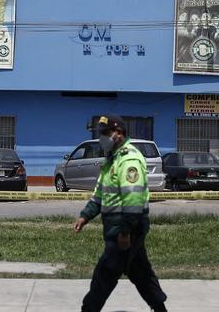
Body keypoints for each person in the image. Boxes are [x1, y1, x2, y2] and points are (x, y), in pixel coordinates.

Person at [74, 115, 167, 312]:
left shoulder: (129, 159)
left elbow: (133, 200)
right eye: (101, 134)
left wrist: (125, 233)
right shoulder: (112, 160)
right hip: (120, 230)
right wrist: (85, 216)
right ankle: (160, 309)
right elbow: (100, 194)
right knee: (141, 273)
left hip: (124, 233)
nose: (102, 138)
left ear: (119, 133)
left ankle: (88, 310)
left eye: (106, 134)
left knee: (104, 275)